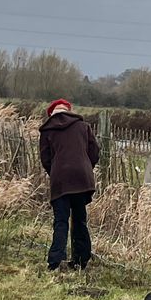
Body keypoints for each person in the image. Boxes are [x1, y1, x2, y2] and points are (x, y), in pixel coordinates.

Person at [38, 98, 100, 270]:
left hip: (60, 180)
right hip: (82, 178)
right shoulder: (83, 127)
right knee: (80, 219)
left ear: (52, 113)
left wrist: (56, 172)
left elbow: (46, 159)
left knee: (61, 221)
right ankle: (81, 260)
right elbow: (94, 152)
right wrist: (85, 166)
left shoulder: (47, 130)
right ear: (69, 110)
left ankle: (55, 261)